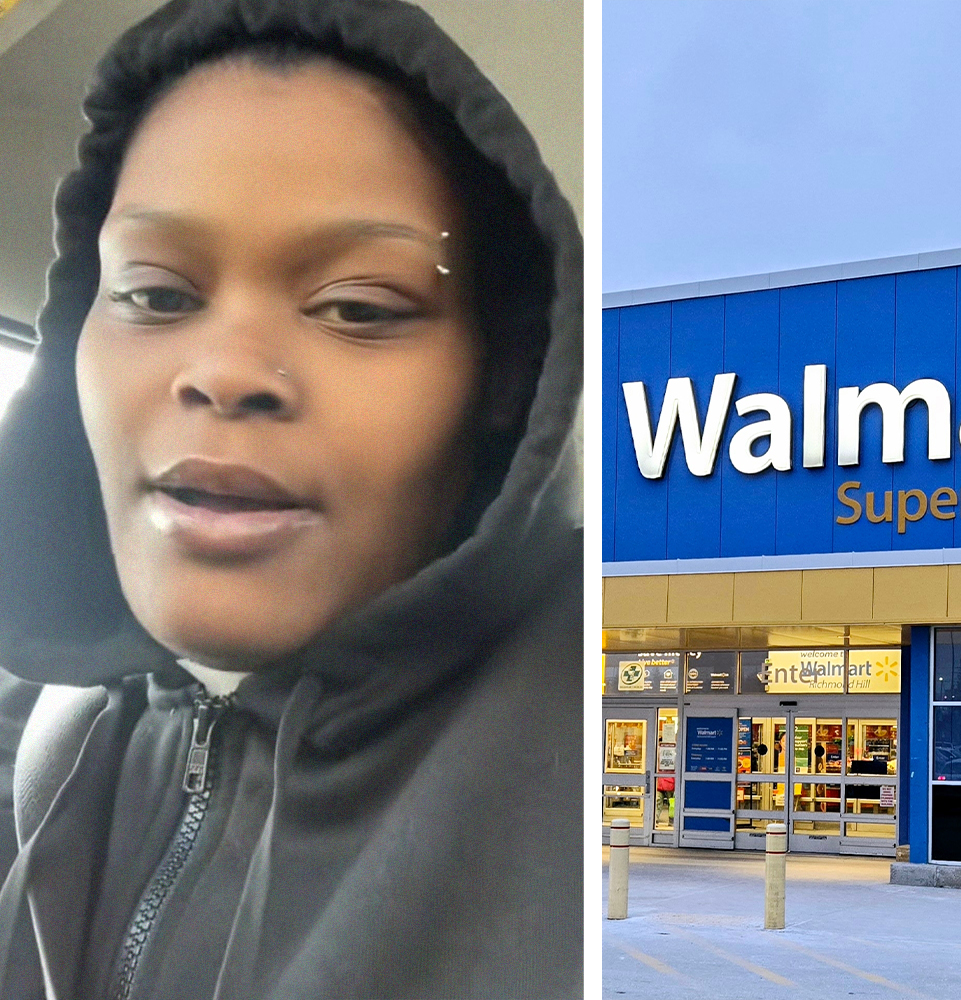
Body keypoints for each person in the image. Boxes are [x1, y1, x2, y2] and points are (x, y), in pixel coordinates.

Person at [0, 1, 581, 997]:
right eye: (156, 294)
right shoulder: (36, 732)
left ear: (502, 375)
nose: (225, 372)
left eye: (357, 306)